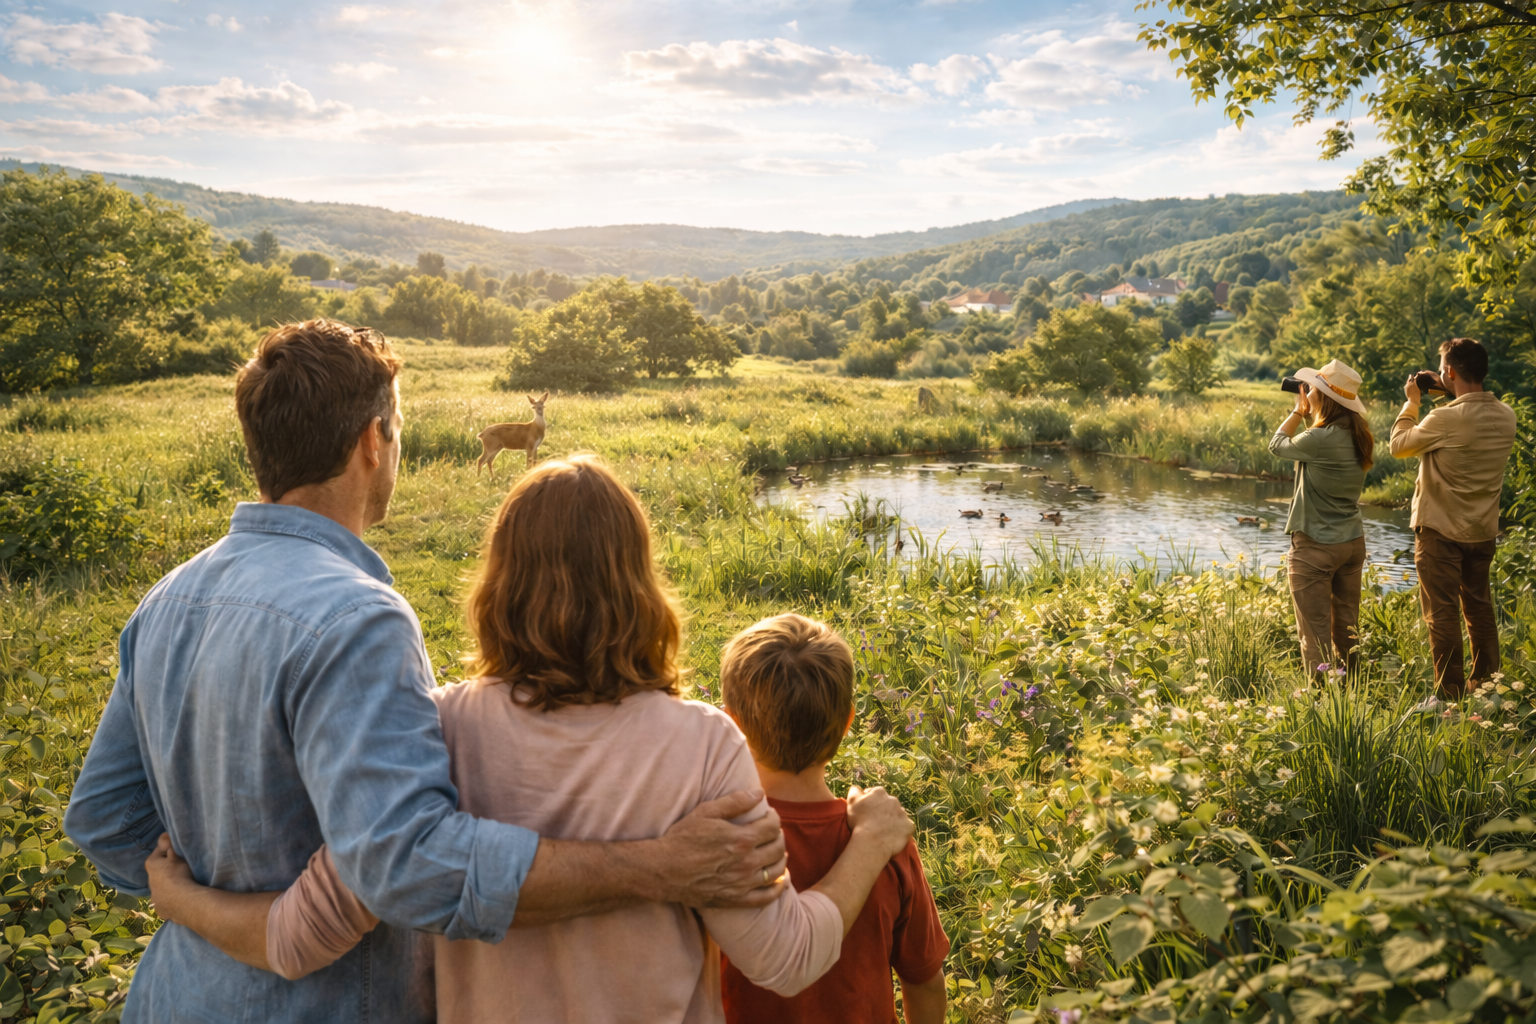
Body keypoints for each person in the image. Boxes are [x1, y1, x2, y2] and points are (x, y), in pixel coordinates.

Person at [63, 321, 798, 1023]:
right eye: (398, 430)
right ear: (371, 444)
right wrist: (657, 871)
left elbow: (104, 817)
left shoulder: (167, 596)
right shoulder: (357, 617)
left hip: (175, 995)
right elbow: (406, 866)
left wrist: (194, 902)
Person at [142, 453, 917, 1023]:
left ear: (498, 582)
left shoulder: (435, 728)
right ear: (640, 581)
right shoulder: (704, 744)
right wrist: (871, 843)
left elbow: (303, 934)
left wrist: (180, 899)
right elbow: (785, 960)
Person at [718, 613, 950, 1024]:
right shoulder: (886, 839)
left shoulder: (717, 842)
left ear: (732, 724)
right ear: (847, 723)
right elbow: (925, 982)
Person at [1391, 337, 1517, 705]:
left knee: (1441, 615)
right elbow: (1468, 414)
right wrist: (1448, 390)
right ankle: (1489, 689)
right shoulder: (1505, 415)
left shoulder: (1443, 418)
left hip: (1440, 533)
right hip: (1482, 532)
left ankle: (1449, 698)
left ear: (1449, 372)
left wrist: (1413, 401)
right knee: (1479, 609)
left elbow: (1398, 446)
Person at [1268, 359, 1375, 680]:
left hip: (1316, 547)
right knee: (1347, 628)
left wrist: (1298, 411)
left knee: (1314, 634)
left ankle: (1320, 703)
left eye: (1313, 389)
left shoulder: (1319, 438)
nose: (1308, 393)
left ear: (1324, 399)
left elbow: (1277, 445)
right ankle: (1353, 689)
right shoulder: (1359, 435)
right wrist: (1311, 411)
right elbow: (1317, 443)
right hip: (1351, 543)